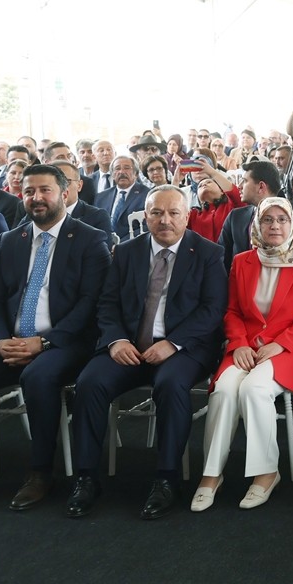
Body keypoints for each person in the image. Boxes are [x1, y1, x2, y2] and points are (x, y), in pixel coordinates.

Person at [66, 186, 227, 519]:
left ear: (187, 217)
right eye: (156, 213)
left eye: (173, 213)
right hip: (129, 346)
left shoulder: (208, 253)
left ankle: (167, 479)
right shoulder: (126, 251)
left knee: (170, 385)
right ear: (146, 216)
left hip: (183, 348)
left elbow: (212, 310)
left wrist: (173, 343)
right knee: (89, 383)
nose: (164, 220)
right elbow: (107, 303)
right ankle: (86, 478)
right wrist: (115, 340)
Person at [0, 165, 111, 510]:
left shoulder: (90, 238)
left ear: (64, 193)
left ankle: (40, 472)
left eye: (45, 190)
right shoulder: (10, 240)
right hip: (12, 340)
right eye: (29, 191)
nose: (36, 197)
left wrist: (44, 342)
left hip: (66, 342)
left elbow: (90, 304)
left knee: (37, 375)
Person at [190, 198, 293, 512]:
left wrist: (281, 343)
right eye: (267, 220)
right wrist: (238, 343)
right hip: (245, 346)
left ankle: (267, 473)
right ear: (257, 226)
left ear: (291, 224)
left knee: (254, 389)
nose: (275, 226)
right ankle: (211, 474)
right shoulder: (242, 261)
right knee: (224, 390)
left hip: (288, 349)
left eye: (281, 220)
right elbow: (232, 311)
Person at [218, 160, 293, 268]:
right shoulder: (235, 217)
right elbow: (222, 259)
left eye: (245, 181)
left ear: (261, 186)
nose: (239, 186)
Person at [182, 152, 243, 243]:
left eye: (209, 182)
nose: (204, 184)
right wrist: (176, 180)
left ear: (222, 191)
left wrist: (211, 171)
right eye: (200, 186)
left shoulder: (231, 206)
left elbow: (234, 193)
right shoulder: (193, 215)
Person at [96, 156, 149, 241]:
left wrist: (121, 244)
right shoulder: (101, 197)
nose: (121, 172)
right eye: (117, 169)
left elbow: (148, 226)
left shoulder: (147, 195)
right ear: (112, 175)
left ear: (136, 174)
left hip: (133, 243)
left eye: (127, 168)